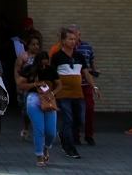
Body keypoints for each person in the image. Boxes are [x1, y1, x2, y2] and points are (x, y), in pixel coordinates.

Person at [48, 26, 86, 159]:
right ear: (63, 41)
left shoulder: (79, 56)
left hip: (77, 93)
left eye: (74, 39)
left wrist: (94, 87)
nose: (73, 41)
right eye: (70, 39)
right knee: (68, 120)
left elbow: (85, 72)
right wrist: (51, 92)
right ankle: (70, 147)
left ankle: (64, 134)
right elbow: (52, 74)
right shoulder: (57, 56)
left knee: (80, 119)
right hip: (63, 94)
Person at [19, 41, 58, 166]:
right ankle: (39, 156)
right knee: (39, 129)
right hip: (34, 98)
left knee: (51, 131)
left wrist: (53, 93)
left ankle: (46, 147)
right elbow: (21, 84)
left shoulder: (51, 70)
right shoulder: (29, 69)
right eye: (42, 65)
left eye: (46, 65)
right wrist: (35, 84)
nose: (44, 68)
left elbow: (59, 85)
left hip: (48, 98)